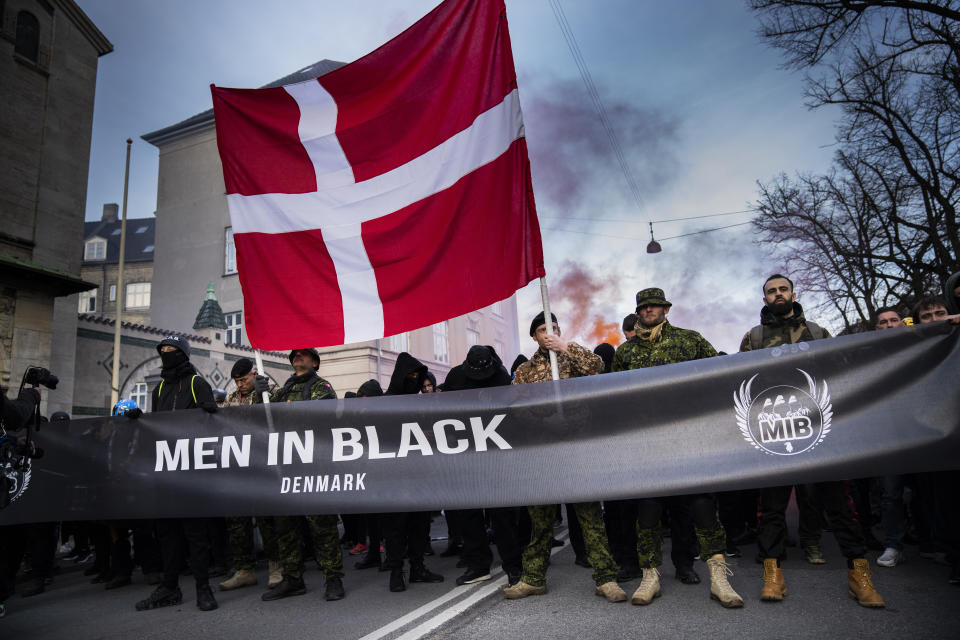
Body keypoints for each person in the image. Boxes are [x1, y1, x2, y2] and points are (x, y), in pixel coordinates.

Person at [740, 275, 884, 608]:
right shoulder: (754, 337)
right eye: (771, 291)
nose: (778, 294)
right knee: (772, 507)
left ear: (793, 294)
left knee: (839, 505)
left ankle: (859, 575)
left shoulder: (818, 333)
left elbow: (839, 372)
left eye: (783, 289)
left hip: (818, 429)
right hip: (773, 430)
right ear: (765, 299)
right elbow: (741, 380)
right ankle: (772, 573)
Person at [612, 288, 743, 608]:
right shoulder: (624, 353)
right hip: (647, 446)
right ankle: (650, 576)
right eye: (643, 307)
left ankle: (719, 578)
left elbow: (719, 378)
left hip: (689, 441)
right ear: (638, 312)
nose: (648, 311)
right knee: (648, 512)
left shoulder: (690, 340)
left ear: (666, 309)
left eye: (654, 306)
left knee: (701, 508)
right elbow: (612, 397)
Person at [503, 312, 627, 603]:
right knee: (540, 520)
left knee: (590, 517)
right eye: (543, 329)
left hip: (577, 450)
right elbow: (516, 408)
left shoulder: (573, 357)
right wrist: (544, 421)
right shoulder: (524, 371)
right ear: (534, 335)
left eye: (554, 328)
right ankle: (533, 578)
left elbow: (597, 365)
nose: (549, 333)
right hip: (543, 453)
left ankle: (606, 578)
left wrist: (565, 347)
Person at [135, 335, 220, 612]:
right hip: (166, 474)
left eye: (172, 350)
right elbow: (157, 426)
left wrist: (210, 414)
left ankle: (202, 588)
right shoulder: (159, 389)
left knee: (195, 535)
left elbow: (215, 424)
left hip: (192, 474)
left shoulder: (196, 383)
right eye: (163, 350)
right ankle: (169, 588)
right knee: (168, 534)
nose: (166, 354)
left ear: (183, 354)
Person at [260, 349, 345, 602]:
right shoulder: (282, 390)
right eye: (295, 355)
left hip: (314, 467)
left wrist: (279, 407)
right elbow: (258, 417)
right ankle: (293, 579)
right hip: (286, 467)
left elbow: (317, 415)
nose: (298, 357)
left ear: (315, 362)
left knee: (322, 526)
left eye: (304, 355)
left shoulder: (322, 386)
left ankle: (333, 579)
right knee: (286, 528)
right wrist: (259, 393)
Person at [443, 346, 524, 586]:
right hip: (466, 455)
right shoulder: (455, 377)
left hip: (496, 455)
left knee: (502, 516)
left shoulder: (500, 376)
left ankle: (513, 566)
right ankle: (478, 566)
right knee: (469, 514)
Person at [381, 353, 445, 592]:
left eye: (418, 377)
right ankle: (396, 571)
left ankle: (418, 567)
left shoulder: (420, 404)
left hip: (419, 474)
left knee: (420, 525)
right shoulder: (383, 402)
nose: (415, 380)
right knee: (395, 527)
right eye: (411, 376)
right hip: (393, 477)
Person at [218, 358, 281, 592]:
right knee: (237, 520)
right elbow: (223, 423)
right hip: (239, 466)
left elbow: (280, 417)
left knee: (267, 519)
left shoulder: (269, 391)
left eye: (244, 379)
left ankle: (276, 565)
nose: (240, 384)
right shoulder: (232, 398)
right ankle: (244, 569)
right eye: (236, 381)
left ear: (254, 374)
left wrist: (267, 396)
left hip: (264, 464)